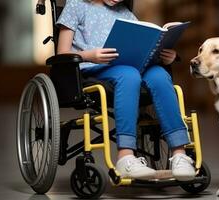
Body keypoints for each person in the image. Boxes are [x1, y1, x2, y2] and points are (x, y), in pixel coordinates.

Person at [56, 0, 195, 181]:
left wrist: (168, 56)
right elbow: (61, 54)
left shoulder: (126, 14)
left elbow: (142, 48)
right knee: (129, 75)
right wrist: (89, 55)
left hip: (129, 68)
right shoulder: (76, 5)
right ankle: (125, 157)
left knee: (159, 75)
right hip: (92, 70)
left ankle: (179, 154)